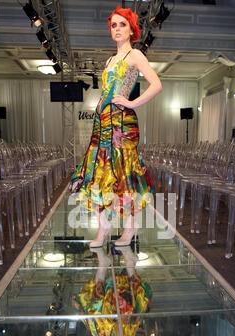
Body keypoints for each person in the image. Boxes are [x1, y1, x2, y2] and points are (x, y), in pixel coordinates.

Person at [69, 5, 162, 248]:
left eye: (122, 24)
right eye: (114, 25)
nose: (117, 29)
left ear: (132, 29)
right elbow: (114, 88)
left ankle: (130, 229)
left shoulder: (136, 55)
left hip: (122, 123)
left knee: (124, 173)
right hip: (103, 122)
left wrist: (132, 102)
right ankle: (104, 228)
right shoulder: (111, 59)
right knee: (100, 172)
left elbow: (156, 84)